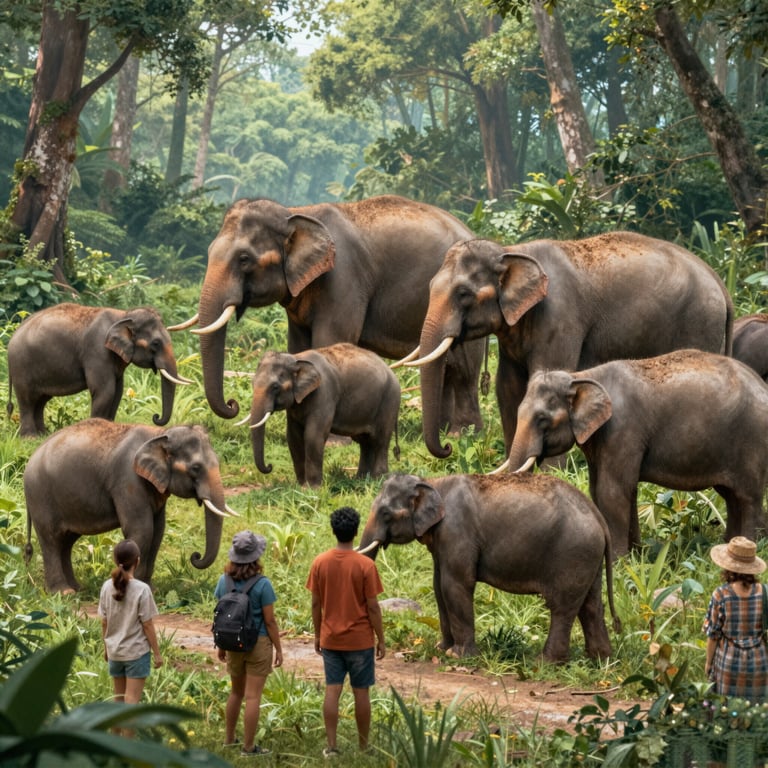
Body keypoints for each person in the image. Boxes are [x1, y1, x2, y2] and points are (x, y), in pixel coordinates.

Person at [306, 507, 386, 759]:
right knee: (361, 692)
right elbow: (373, 606)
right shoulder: (365, 565)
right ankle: (364, 746)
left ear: (333, 530)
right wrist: (381, 638)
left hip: (331, 639)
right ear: (355, 531)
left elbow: (316, 603)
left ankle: (331, 746)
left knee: (332, 690)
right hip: (360, 641)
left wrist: (318, 635)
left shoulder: (320, 562)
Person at [214, 530, 283, 757]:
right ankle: (248, 747)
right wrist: (279, 648)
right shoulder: (263, 584)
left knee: (236, 692)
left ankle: (228, 739)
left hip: (233, 642)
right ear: (256, 557)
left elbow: (221, 615)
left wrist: (222, 645)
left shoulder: (223, 582)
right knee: (253, 696)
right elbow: (270, 621)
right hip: (259, 642)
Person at [98, 539, 163, 718]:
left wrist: (106, 649)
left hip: (115, 652)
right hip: (136, 653)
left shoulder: (106, 587)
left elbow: (104, 622)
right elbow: (147, 624)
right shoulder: (142, 589)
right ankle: (127, 744)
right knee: (131, 702)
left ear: (115, 560)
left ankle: (115, 742)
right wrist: (157, 653)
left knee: (118, 701)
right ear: (138, 561)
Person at [704, 536, 768, 702]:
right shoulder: (765, 593)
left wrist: (708, 664)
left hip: (728, 662)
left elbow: (713, 635)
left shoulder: (721, 594)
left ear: (728, 568)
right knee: (757, 714)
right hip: (759, 662)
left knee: (727, 712)